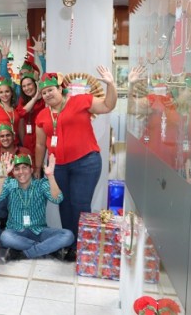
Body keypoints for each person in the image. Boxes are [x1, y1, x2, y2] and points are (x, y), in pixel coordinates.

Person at [34, 66, 116, 261]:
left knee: (80, 204)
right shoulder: (42, 116)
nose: (47, 94)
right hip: (59, 167)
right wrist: (38, 167)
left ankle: (83, 247)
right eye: (44, 92)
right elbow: (39, 144)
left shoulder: (80, 101)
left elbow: (107, 106)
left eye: (50, 90)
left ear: (60, 89)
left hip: (85, 163)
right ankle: (69, 244)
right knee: (64, 205)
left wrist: (111, 84)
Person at [0, 154, 74, 261]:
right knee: (5, 237)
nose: (21, 172)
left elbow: (58, 199)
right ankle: (51, 249)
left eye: (24, 167)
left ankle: (26, 253)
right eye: (17, 169)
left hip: (39, 230)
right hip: (15, 231)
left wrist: (51, 176)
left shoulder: (41, 184)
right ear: (13, 172)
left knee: (68, 235)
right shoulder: (9, 184)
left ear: (31, 169)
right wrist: (3, 175)